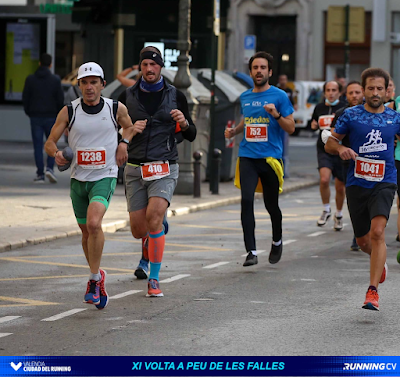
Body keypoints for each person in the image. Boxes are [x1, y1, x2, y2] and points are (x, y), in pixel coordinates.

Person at [44, 62, 135, 309]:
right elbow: (50, 142)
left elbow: (128, 127)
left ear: (103, 85)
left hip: (104, 175)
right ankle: (98, 275)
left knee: (95, 224)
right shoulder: (69, 111)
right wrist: (56, 155)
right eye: (84, 82)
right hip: (78, 179)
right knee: (86, 233)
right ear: (79, 86)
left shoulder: (115, 108)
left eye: (94, 82)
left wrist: (123, 144)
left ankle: (94, 279)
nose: (89, 87)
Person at [118, 46, 196, 297]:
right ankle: (159, 220)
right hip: (135, 167)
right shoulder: (126, 96)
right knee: (139, 230)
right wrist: (129, 132)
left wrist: (184, 123)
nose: (149, 69)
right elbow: (113, 131)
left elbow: (191, 133)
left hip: (164, 165)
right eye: (145, 65)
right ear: (140, 68)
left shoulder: (176, 96)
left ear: (160, 67)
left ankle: (154, 278)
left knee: (153, 218)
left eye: (153, 65)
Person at [325, 67, 400, 311]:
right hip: (357, 183)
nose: (375, 92)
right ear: (364, 90)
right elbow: (330, 142)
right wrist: (340, 149)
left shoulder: (394, 118)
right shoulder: (350, 115)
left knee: (378, 232)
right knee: (364, 240)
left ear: (387, 90)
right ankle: (380, 263)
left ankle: (372, 292)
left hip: (385, 181)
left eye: (380, 88)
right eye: (371, 88)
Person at [224, 51, 295, 267]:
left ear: (270, 72)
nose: (259, 71)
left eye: (263, 68)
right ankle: (251, 251)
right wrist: (234, 131)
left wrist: (275, 115)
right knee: (246, 201)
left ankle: (277, 240)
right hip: (247, 156)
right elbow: (248, 120)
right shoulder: (245, 97)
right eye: (255, 68)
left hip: (271, 158)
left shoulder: (280, 96)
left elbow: (290, 127)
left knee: (271, 205)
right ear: (251, 71)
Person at [328, 81, 364, 250]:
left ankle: (366, 232)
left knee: (371, 197)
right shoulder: (342, 113)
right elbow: (330, 138)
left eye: (357, 92)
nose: (354, 96)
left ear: (363, 93)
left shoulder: (372, 112)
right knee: (354, 199)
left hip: (370, 161)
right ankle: (358, 234)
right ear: (346, 95)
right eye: (351, 93)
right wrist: (340, 147)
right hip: (348, 163)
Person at [22, 53, 64, 184]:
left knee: (37, 145)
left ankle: (40, 173)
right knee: (52, 142)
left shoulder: (30, 79)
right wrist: (58, 114)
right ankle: (50, 169)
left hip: (35, 116)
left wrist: (29, 112)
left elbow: (25, 98)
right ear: (50, 65)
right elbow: (60, 99)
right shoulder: (55, 80)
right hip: (51, 116)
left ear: (39, 63)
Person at [311, 81, 347, 230]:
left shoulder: (344, 108)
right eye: (328, 90)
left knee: (340, 187)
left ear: (339, 92)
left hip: (339, 150)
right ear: (324, 92)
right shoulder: (319, 107)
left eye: (334, 90)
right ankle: (326, 209)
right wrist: (312, 125)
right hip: (323, 148)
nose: (331, 93)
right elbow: (313, 123)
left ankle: (338, 214)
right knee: (324, 179)